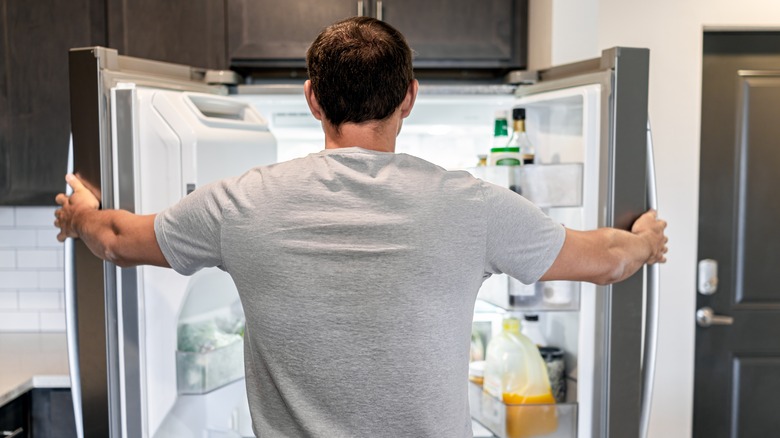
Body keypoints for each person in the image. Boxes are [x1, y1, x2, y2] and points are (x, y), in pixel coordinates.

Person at [55, 16, 667, 438]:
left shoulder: (241, 203)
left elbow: (114, 239)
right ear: (409, 97)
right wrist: (645, 239)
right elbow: (607, 258)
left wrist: (78, 213)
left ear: (313, 98)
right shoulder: (473, 205)